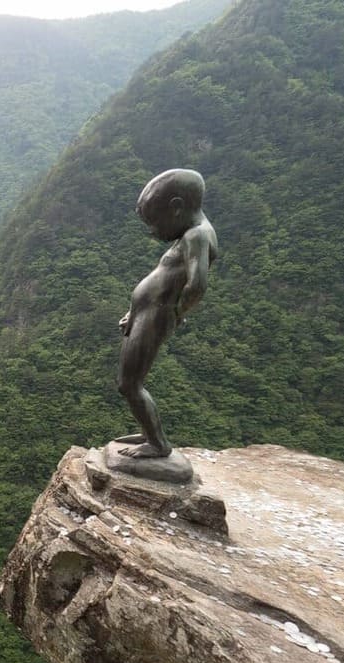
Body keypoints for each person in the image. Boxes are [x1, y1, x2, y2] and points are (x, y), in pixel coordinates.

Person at [114, 168, 218, 459]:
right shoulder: (190, 232)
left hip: (156, 316)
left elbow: (197, 284)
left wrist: (177, 311)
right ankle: (151, 432)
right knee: (130, 382)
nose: (152, 231)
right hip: (147, 313)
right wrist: (134, 310)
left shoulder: (197, 236)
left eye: (154, 222)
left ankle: (158, 444)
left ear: (175, 208)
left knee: (129, 383)